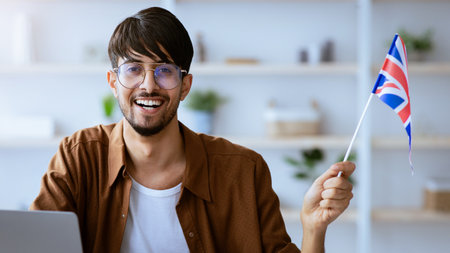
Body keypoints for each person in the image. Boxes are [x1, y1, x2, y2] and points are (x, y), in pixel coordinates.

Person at [30, 6, 355, 253]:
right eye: (133, 70)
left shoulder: (244, 170)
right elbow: (32, 244)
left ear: (185, 86)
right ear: (113, 82)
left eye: (164, 71)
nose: (148, 85)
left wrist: (313, 228)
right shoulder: (77, 156)